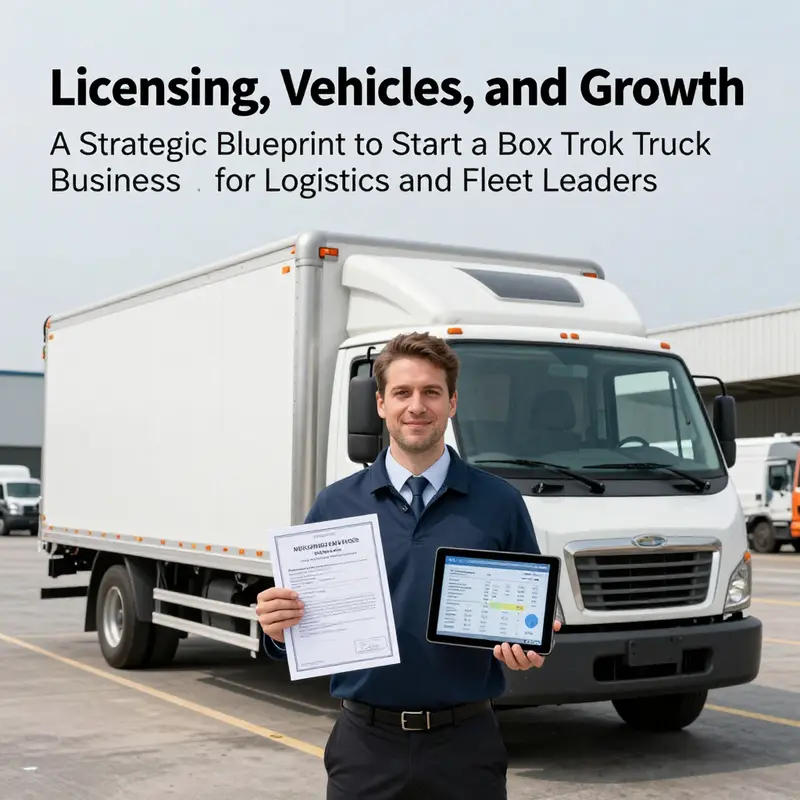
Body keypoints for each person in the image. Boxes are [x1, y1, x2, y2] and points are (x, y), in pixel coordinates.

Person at [256, 331, 559, 799]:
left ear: (452, 403)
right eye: (402, 392)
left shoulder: (500, 502)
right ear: (381, 404)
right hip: (365, 745)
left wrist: (535, 644)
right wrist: (278, 632)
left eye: (431, 392)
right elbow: (297, 624)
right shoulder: (335, 505)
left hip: (466, 745)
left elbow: (533, 608)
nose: (416, 405)